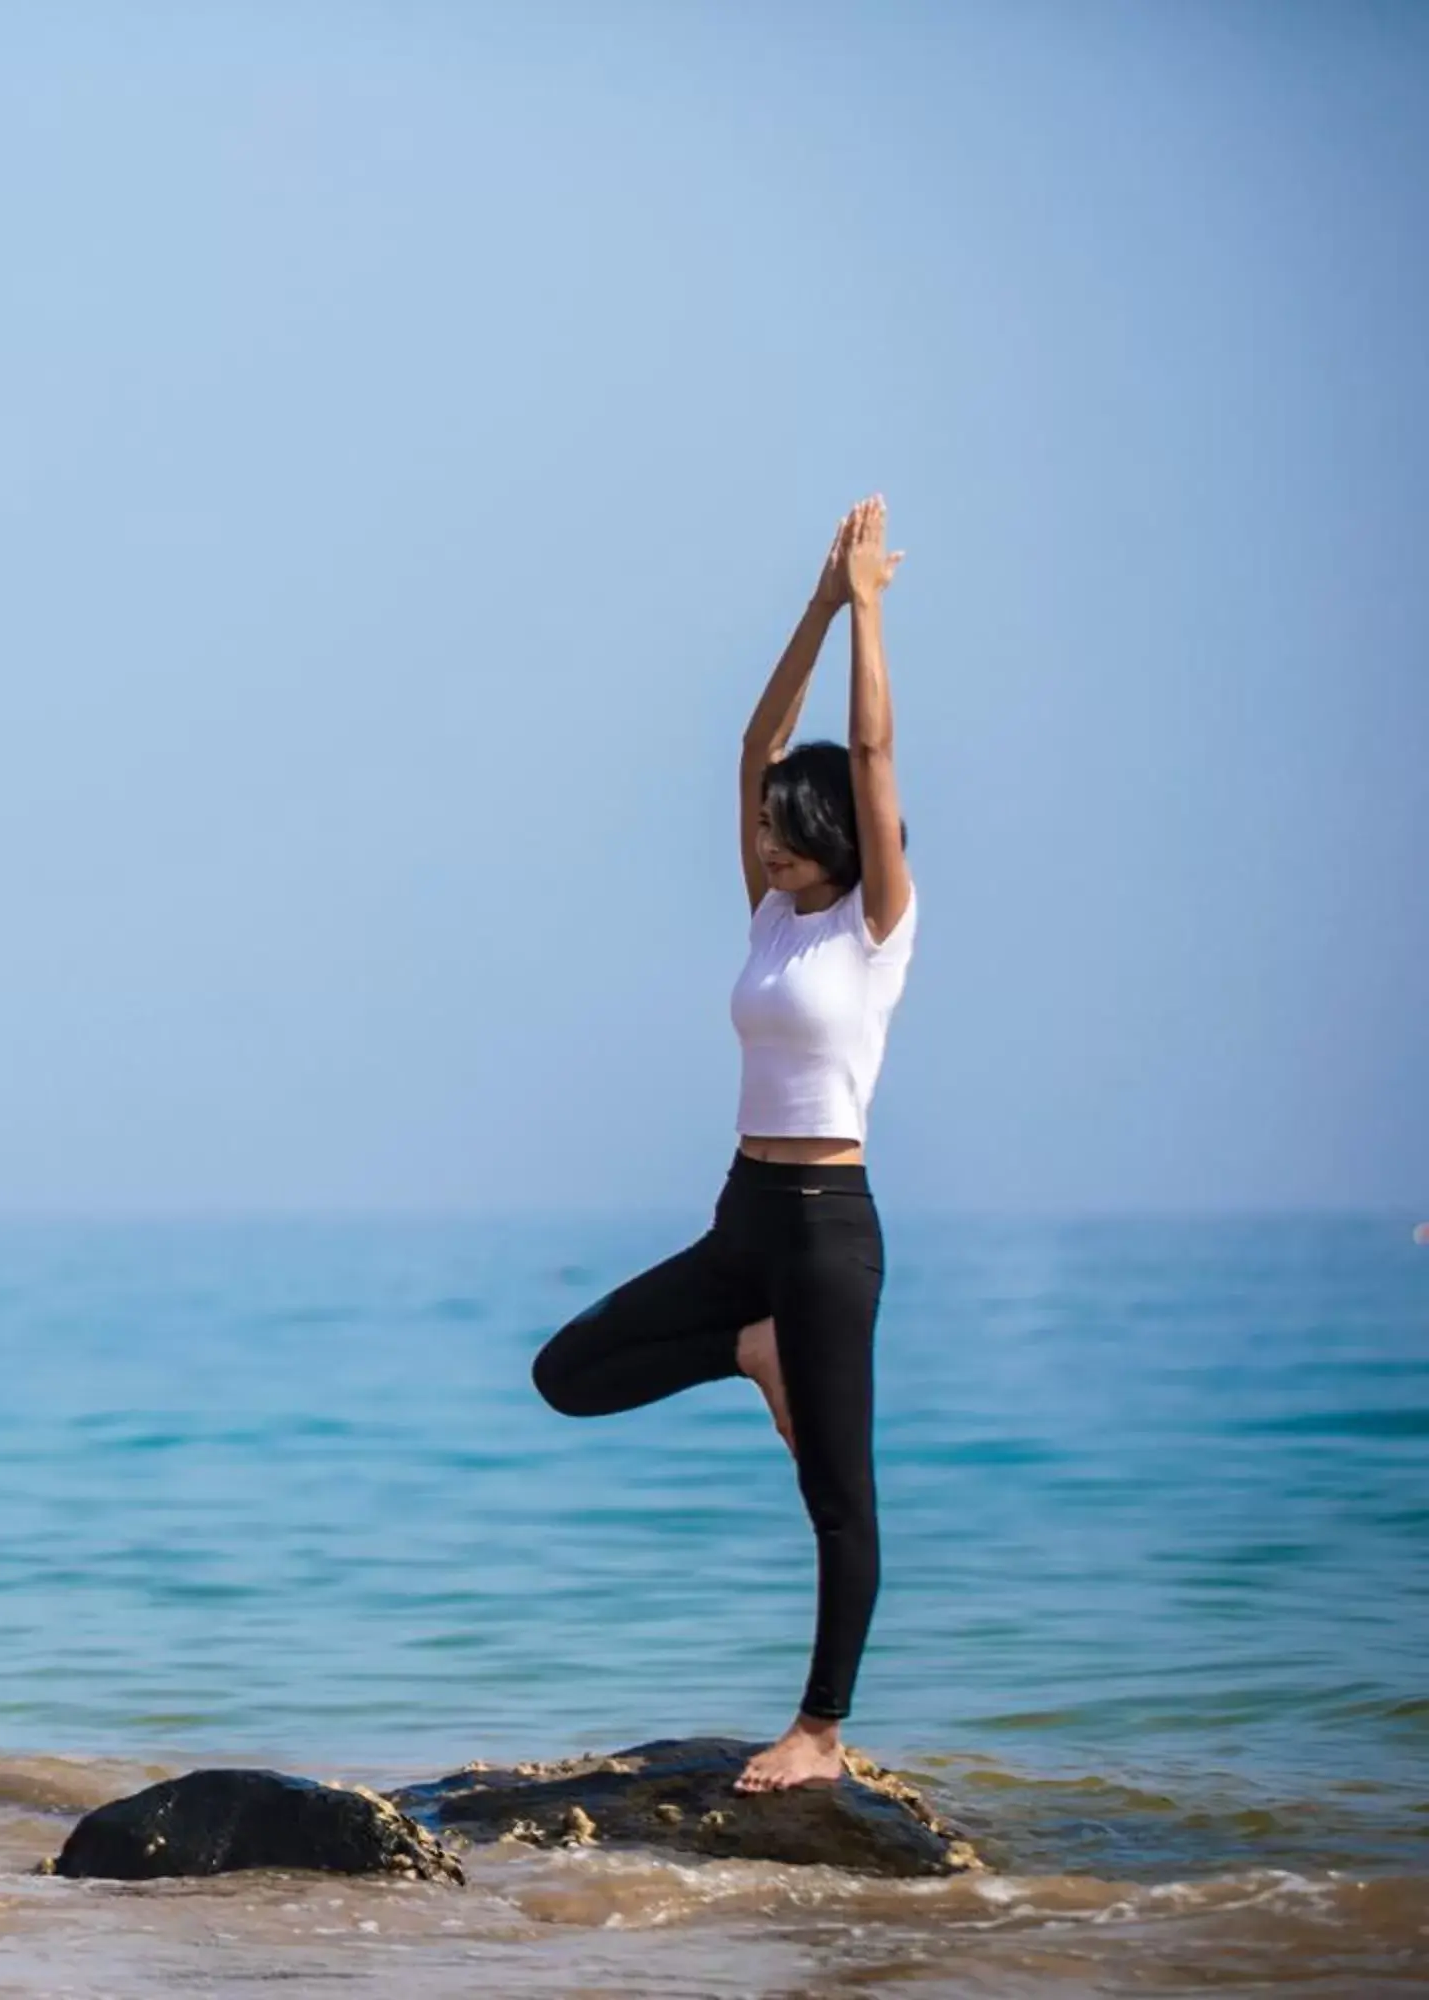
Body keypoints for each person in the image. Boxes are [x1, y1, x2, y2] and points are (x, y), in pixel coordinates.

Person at [529, 495, 917, 1794]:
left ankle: (819, 1727)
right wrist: (812, 601)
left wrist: (870, 612)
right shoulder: (771, 918)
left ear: (830, 841)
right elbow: (760, 737)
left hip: (825, 1232)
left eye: (782, 828)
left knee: (840, 1498)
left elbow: (869, 750)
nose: (760, 839)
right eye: (762, 827)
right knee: (568, 1372)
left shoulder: (873, 926)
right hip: (743, 1215)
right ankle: (748, 1353)